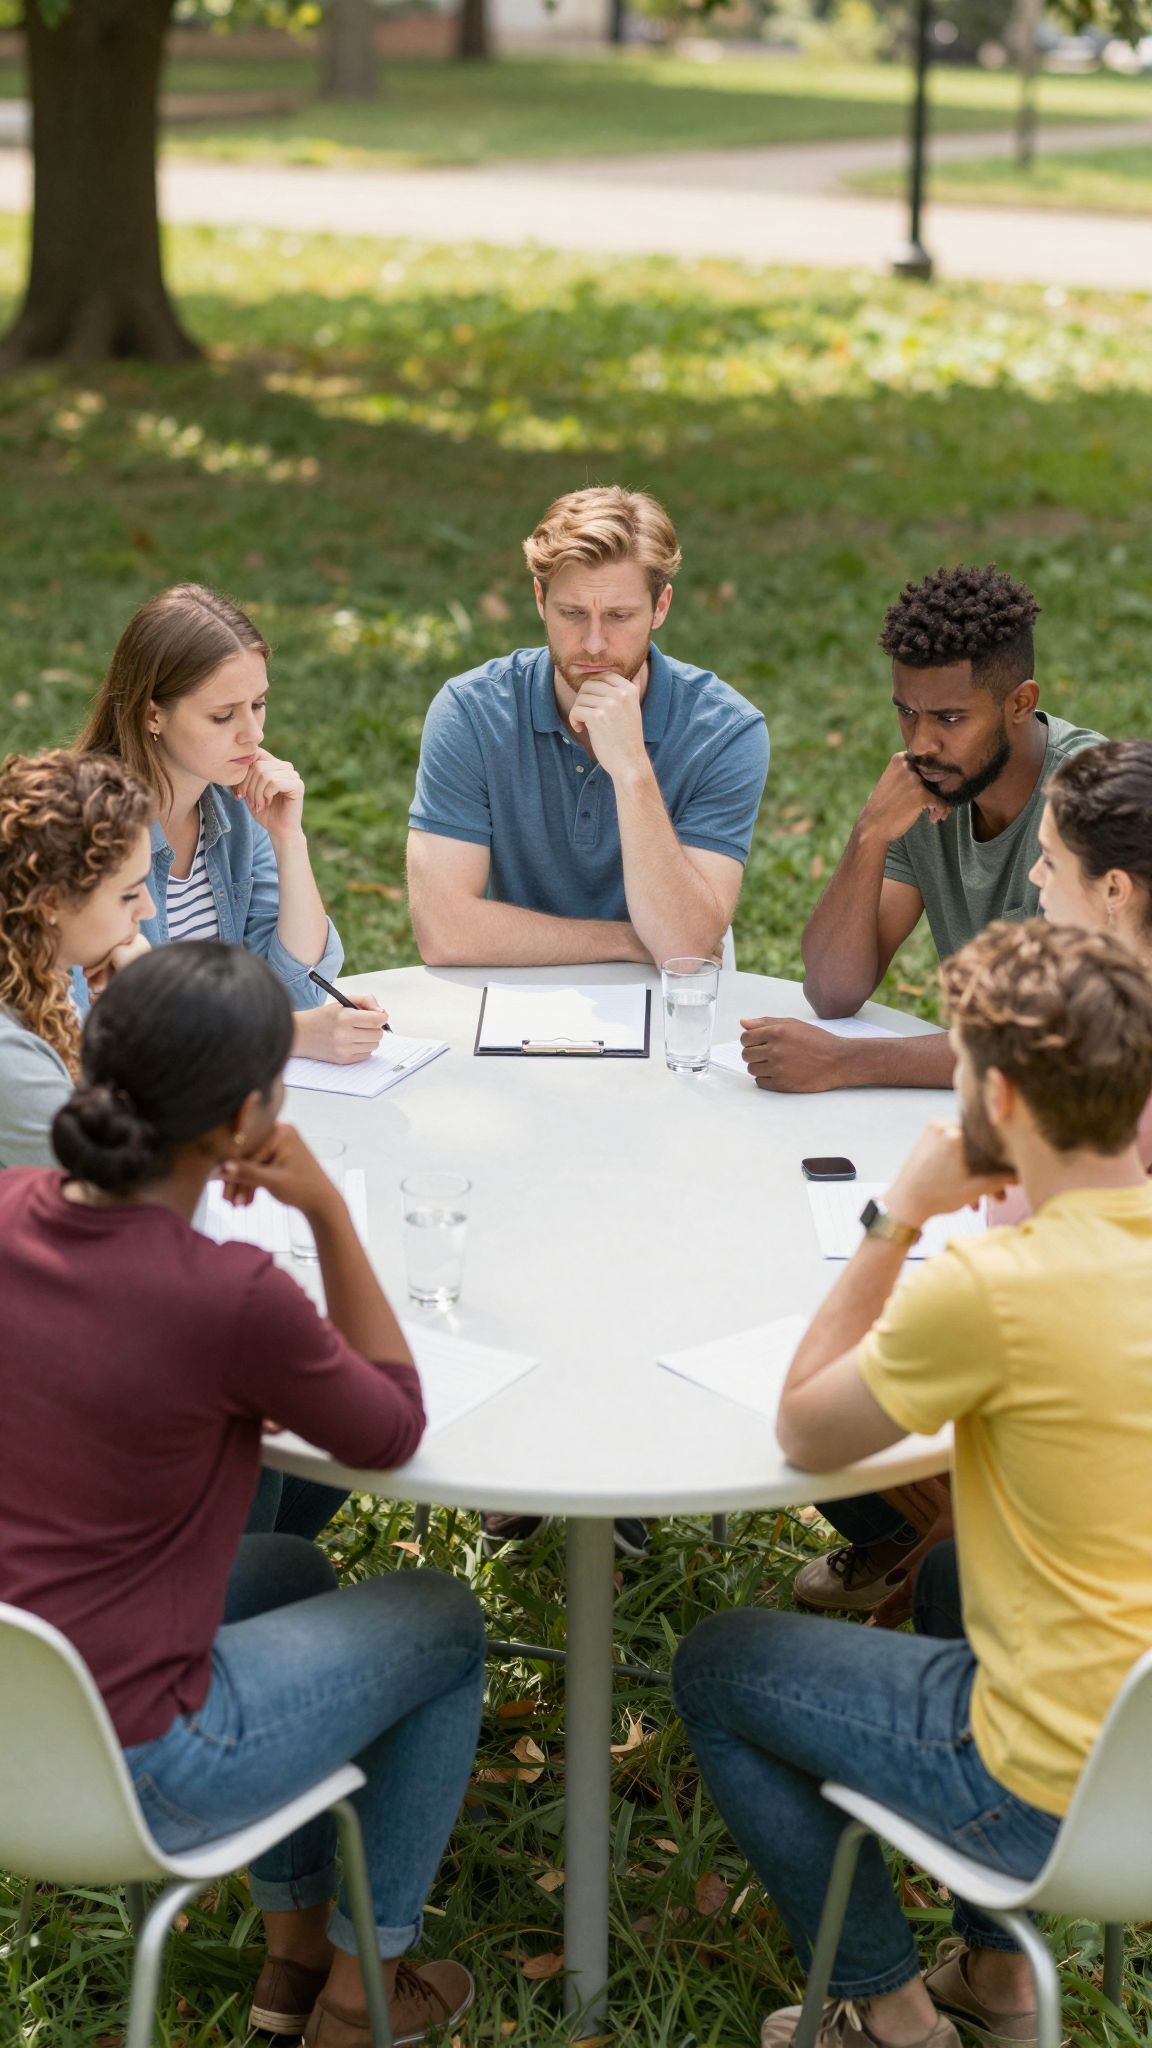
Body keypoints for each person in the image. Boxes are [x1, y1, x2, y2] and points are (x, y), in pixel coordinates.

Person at [675, 918, 1152, 2048]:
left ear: (1005, 1105)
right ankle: (998, 1978)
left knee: (717, 1662)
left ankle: (886, 2009)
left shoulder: (994, 1285)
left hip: (1045, 1788)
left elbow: (805, 1426)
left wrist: (900, 1214)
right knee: (945, 1586)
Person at [0, 942, 485, 2048]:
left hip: (16, 1714)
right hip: (149, 1763)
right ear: (247, 1117)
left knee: (291, 1572)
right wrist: (323, 1210)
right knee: (446, 1620)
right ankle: (367, 2002)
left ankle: (295, 1951)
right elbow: (391, 1425)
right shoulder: (226, 1297)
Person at [795, 737, 1152, 1624]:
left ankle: (940, 1557)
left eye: (1051, 863)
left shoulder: (1103, 1068)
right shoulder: (1104, 1018)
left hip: (1081, 1436)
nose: (1033, 882)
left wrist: (907, 1214)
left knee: (838, 1374)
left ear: (1114, 891)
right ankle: (937, 1561)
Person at [740, 564, 1102, 1094]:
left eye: (949, 719)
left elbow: (1050, 1041)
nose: (920, 743)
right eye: (907, 712)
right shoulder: (933, 785)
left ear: (1020, 703)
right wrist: (869, 833)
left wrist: (848, 1062)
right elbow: (833, 991)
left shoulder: (1095, 803)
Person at [407, 485, 769, 969]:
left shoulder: (726, 732)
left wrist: (632, 769)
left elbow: (684, 949)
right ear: (540, 599)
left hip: (662, 998)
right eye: (572, 613)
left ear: (661, 607)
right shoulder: (471, 712)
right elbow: (445, 933)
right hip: (515, 986)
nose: (595, 644)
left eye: (620, 616)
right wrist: (626, 942)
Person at [78, 584, 387, 1064]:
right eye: (223, 716)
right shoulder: (87, 829)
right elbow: (103, 1030)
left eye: (258, 705)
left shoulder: (235, 811)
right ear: (152, 715)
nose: (254, 733)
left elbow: (296, 993)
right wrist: (289, 1036)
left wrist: (288, 838)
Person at [0, 749, 154, 1169]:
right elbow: (122, 1186)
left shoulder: (36, 974)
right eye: (128, 894)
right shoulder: (9, 1057)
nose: (148, 910)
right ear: (51, 901)